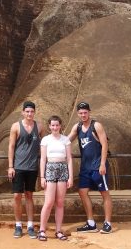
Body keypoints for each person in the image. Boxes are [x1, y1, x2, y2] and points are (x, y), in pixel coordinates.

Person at [67, 101, 113, 234]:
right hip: (85, 167)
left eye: (85, 112)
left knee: (104, 193)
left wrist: (103, 163)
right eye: (81, 113)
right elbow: (66, 140)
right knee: (82, 192)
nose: (83, 115)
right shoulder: (78, 127)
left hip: (98, 166)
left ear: (89, 112)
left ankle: (107, 223)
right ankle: (91, 223)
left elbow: (104, 144)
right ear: (78, 114)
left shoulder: (96, 126)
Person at [8, 100, 43, 239]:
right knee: (17, 195)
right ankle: (18, 224)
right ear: (23, 112)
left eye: (32, 111)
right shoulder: (16, 126)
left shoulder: (39, 127)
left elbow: (42, 145)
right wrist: (10, 166)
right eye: (27, 111)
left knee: (29, 195)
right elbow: (11, 146)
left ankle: (30, 225)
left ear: (34, 112)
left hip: (32, 167)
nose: (29, 114)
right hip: (18, 167)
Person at [38, 115, 73, 241]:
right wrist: (42, 177)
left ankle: (58, 230)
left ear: (60, 126)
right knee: (49, 202)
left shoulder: (65, 140)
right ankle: (42, 230)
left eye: (57, 125)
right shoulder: (45, 140)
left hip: (63, 169)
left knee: (59, 202)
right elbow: (42, 159)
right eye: (52, 125)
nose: (55, 127)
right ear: (49, 126)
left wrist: (70, 177)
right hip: (50, 169)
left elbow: (69, 159)